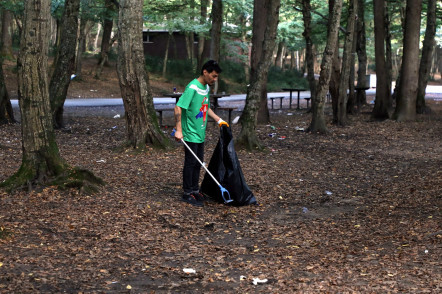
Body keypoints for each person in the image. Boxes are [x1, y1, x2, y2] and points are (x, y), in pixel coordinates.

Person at [174, 60, 229, 207]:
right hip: (189, 132)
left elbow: (206, 107)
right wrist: (179, 130)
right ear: (205, 72)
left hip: (200, 131)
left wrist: (219, 120)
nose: (215, 79)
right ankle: (187, 193)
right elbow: (178, 107)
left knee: (198, 162)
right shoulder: (192, 87)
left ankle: (195, 190)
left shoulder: (205, 87)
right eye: (214, 76)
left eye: (217, 76)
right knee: (191, 162)